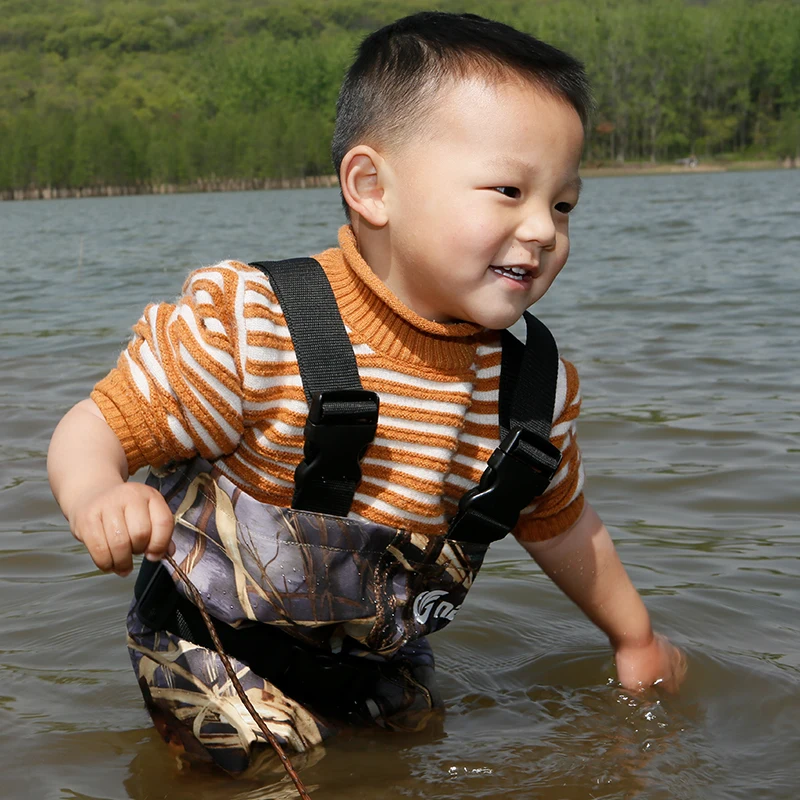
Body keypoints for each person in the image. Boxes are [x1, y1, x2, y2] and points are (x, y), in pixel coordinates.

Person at [47, 11, 685, 775]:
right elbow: (100, 424)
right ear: (372, 187)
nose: (544, 229)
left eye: (563, 203)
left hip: (377, 647)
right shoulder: (256, 328)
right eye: (509, 190)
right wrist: (97, 493)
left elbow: (562, 524)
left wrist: (635, 636)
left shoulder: (530, 394)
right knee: (270, 769)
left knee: (405, 759)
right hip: (208, 635)